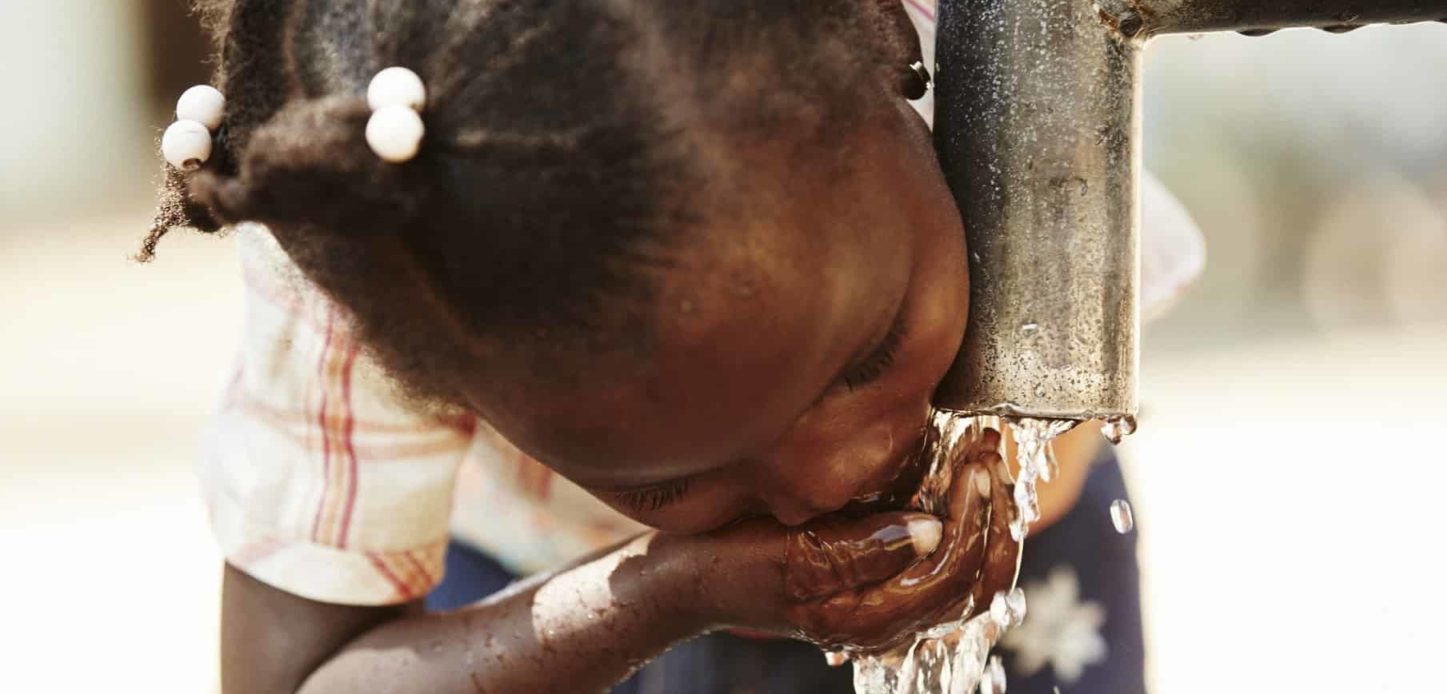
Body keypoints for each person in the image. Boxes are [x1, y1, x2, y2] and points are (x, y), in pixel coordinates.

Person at [146, 0, 1201, 691]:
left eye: (866, 354)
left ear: (889, 33)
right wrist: (666, 587)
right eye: (674, 475)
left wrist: (994, 483)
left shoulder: (1003, 42)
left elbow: (1060, 436)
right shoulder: (371, 234)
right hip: (540, 612)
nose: (829, 480)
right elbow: (302, 676)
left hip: (1013, 567)